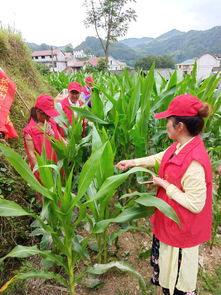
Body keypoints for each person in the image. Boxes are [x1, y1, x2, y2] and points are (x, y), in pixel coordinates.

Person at [116, 93, 212, 295]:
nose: (165, 125)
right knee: (167, 279)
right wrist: (133, 163)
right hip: (169, 224)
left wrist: (165, 185)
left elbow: (196, 204)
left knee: (176, 284)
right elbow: (161, 157)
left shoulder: (194, 161)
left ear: (180, 126)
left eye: (168, 121)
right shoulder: (180, 146)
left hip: (181, 231)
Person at [23, 95, 62, 186]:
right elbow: (32, 154)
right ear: (38, 112)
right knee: (46, 194)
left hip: (55, 164)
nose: (49, 117)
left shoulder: (51, 122)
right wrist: (42, 172)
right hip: (43, 169)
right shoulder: (29, 131)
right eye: (47, 114)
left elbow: (59, 137)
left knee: (59, 191)